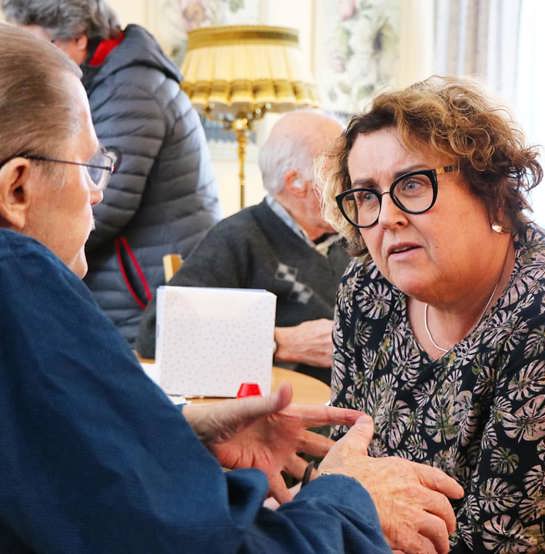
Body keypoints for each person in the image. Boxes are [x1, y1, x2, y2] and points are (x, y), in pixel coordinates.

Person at [0, 25, 466, 554]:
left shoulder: (354, 254)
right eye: (90, 166)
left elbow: (63, 462)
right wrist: (349, 501)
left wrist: (175, 434)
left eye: (411, 186)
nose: (98, 191)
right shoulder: (24, 281)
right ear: (17, 189)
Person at [322, 75, 545, 552]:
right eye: (366, 195)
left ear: (489, 189)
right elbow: (343, 461)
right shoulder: (368, 290)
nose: (386, 216)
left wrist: (340, 505)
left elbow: (504, 543)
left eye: (411, 184)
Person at [1, 0, 221, 344]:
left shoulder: (131, 88)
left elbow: (105, 202)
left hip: (139, 295)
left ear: (77, 38)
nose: (36, 61)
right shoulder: (118, 80)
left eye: (43, 46)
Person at [137, 111, 349, 384]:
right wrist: (278, 343)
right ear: (295, 183)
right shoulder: (239, 238)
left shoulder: (358, 238)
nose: (352, 185)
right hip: (294, 411)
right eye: (339, 174)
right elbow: (158, 335)